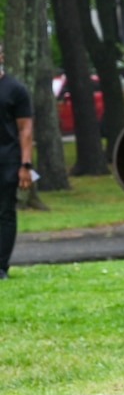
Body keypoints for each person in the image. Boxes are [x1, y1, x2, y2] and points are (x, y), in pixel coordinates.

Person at [0, 47, 31, 282]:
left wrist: (26, 165)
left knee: (5, 212)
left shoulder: (15, 89)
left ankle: (1, 266)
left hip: (7, 159)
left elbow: (25, 129)